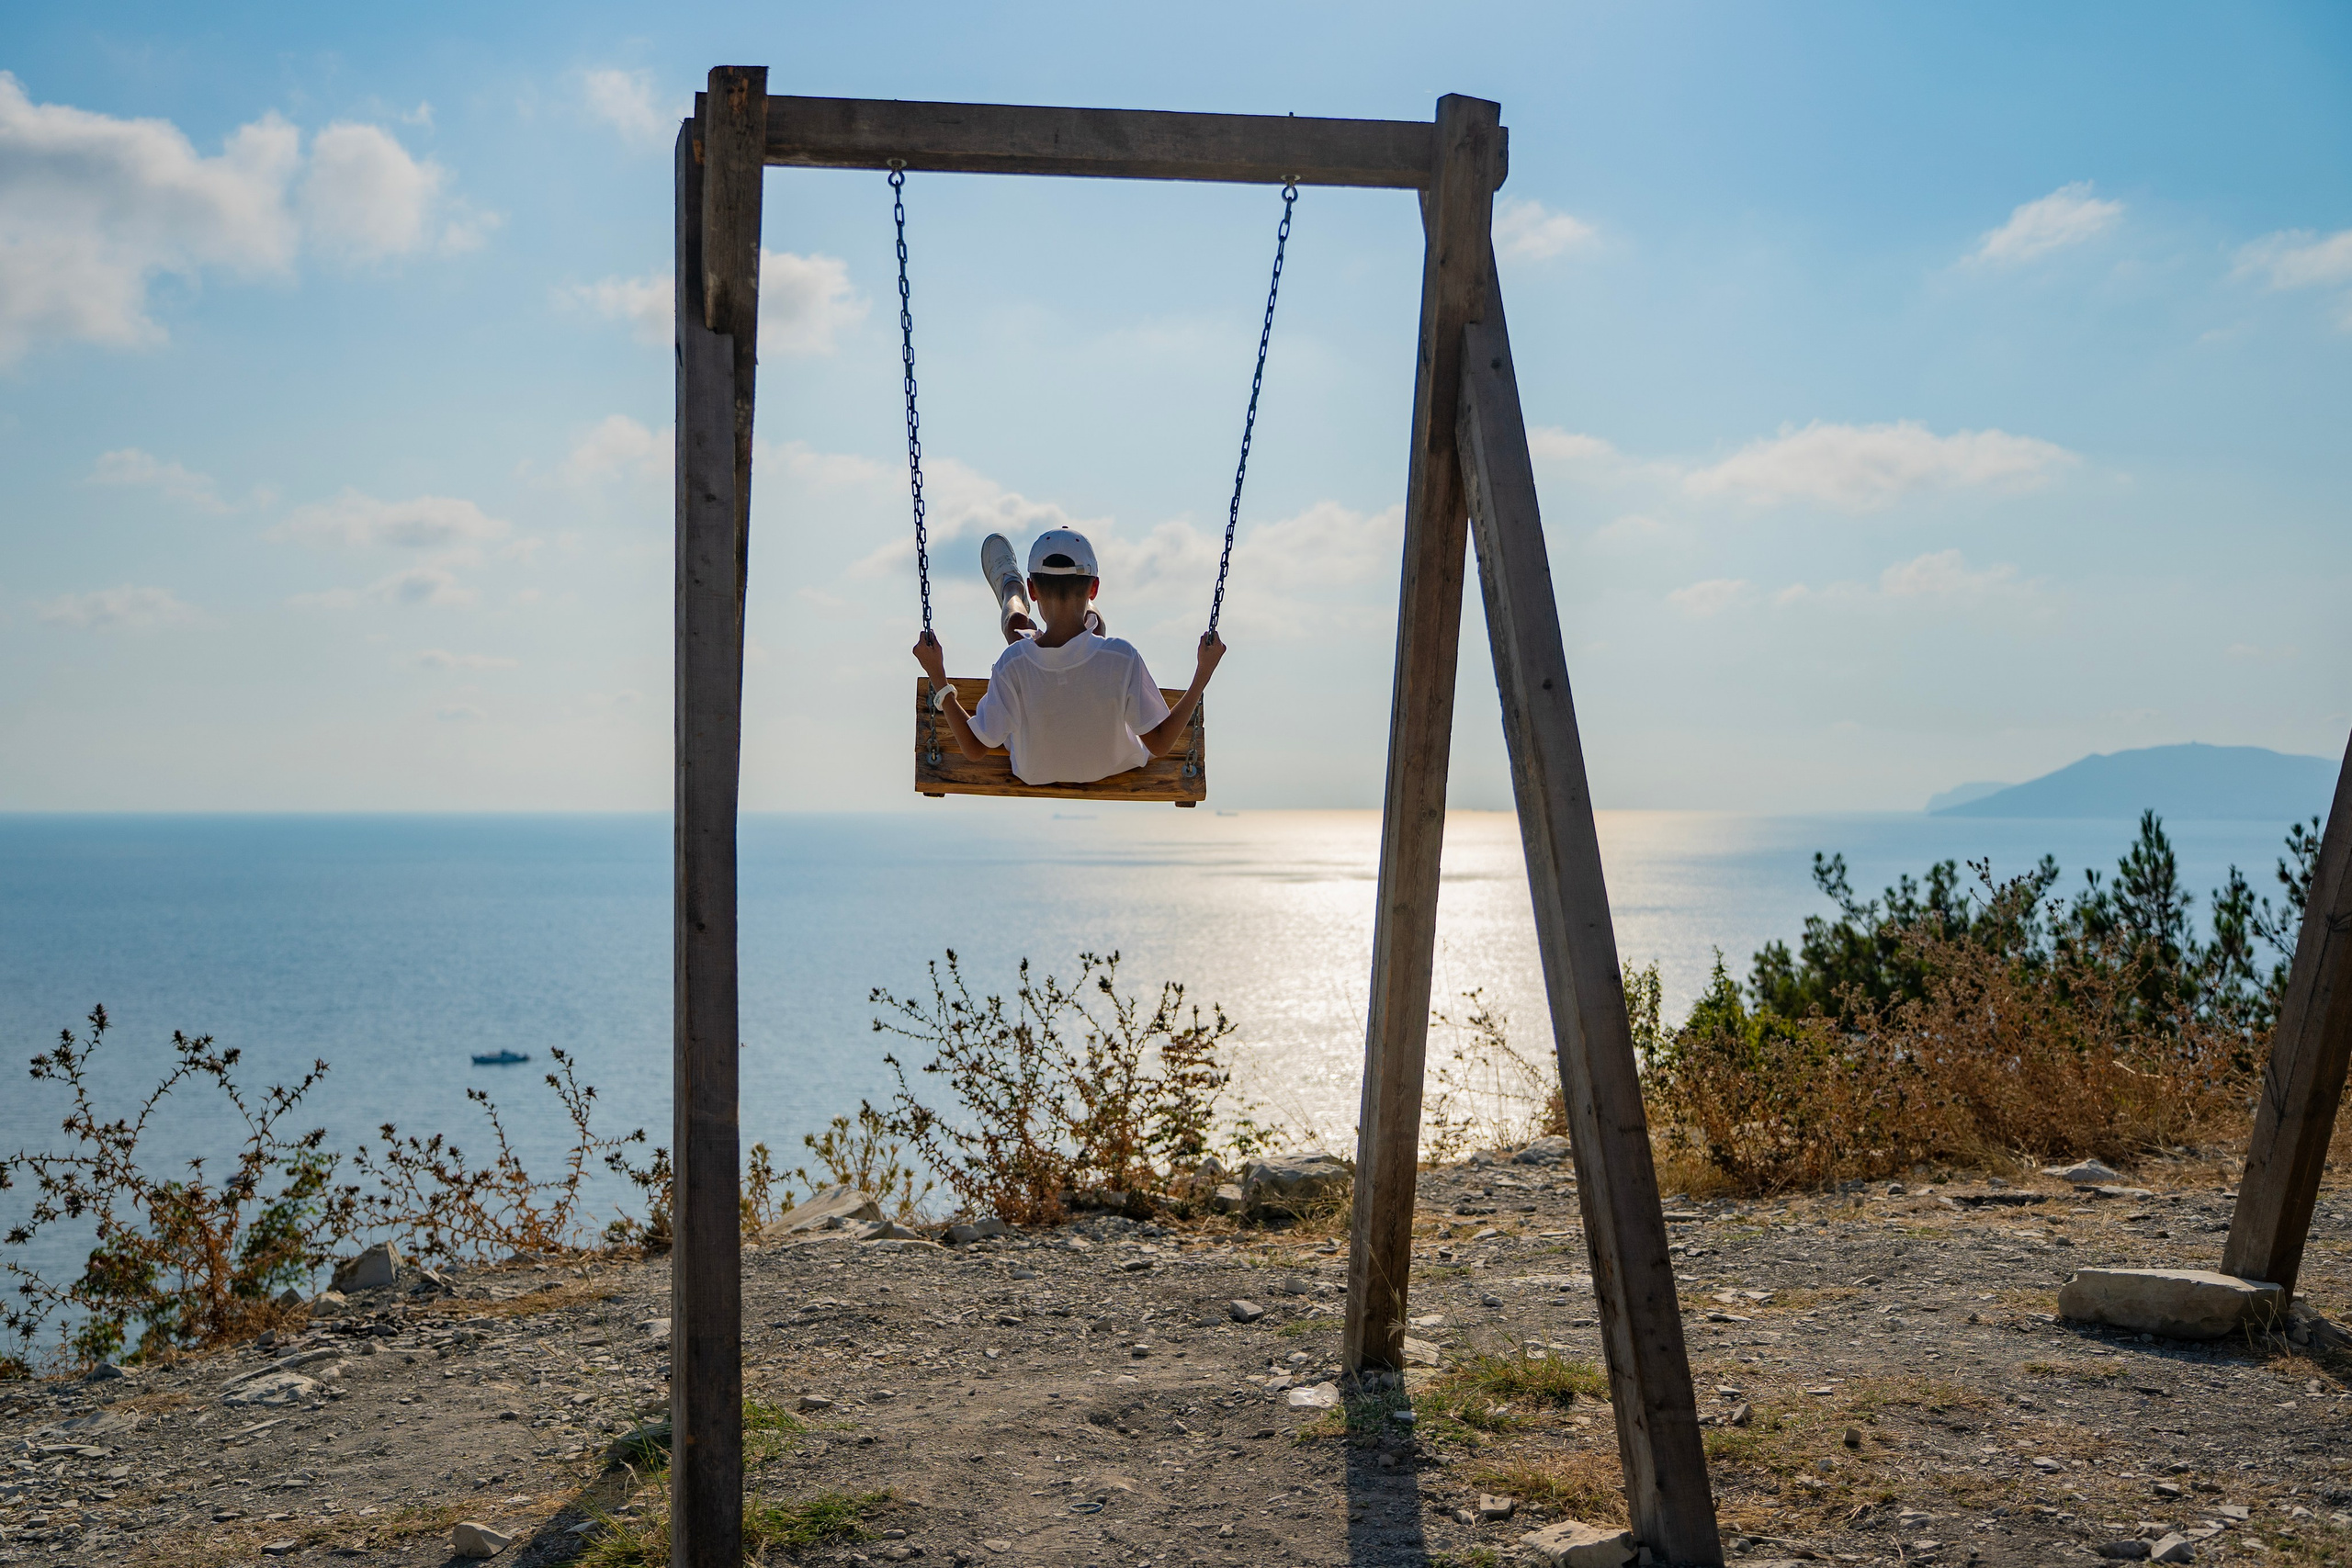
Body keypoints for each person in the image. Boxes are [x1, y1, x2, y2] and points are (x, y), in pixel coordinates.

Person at [911, 528, 1225, 787]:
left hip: (1034, 771)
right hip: (1112, 766)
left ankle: (1011, 587)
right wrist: (1203, 673)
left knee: (1019, 629)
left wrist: (938, 676)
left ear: (1035, 589)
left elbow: (974, 747)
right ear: (1095, 588)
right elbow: (1159, 743)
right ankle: (1083, 618)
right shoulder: (1121, 658)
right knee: (1095, 633)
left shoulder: (1013, 664)